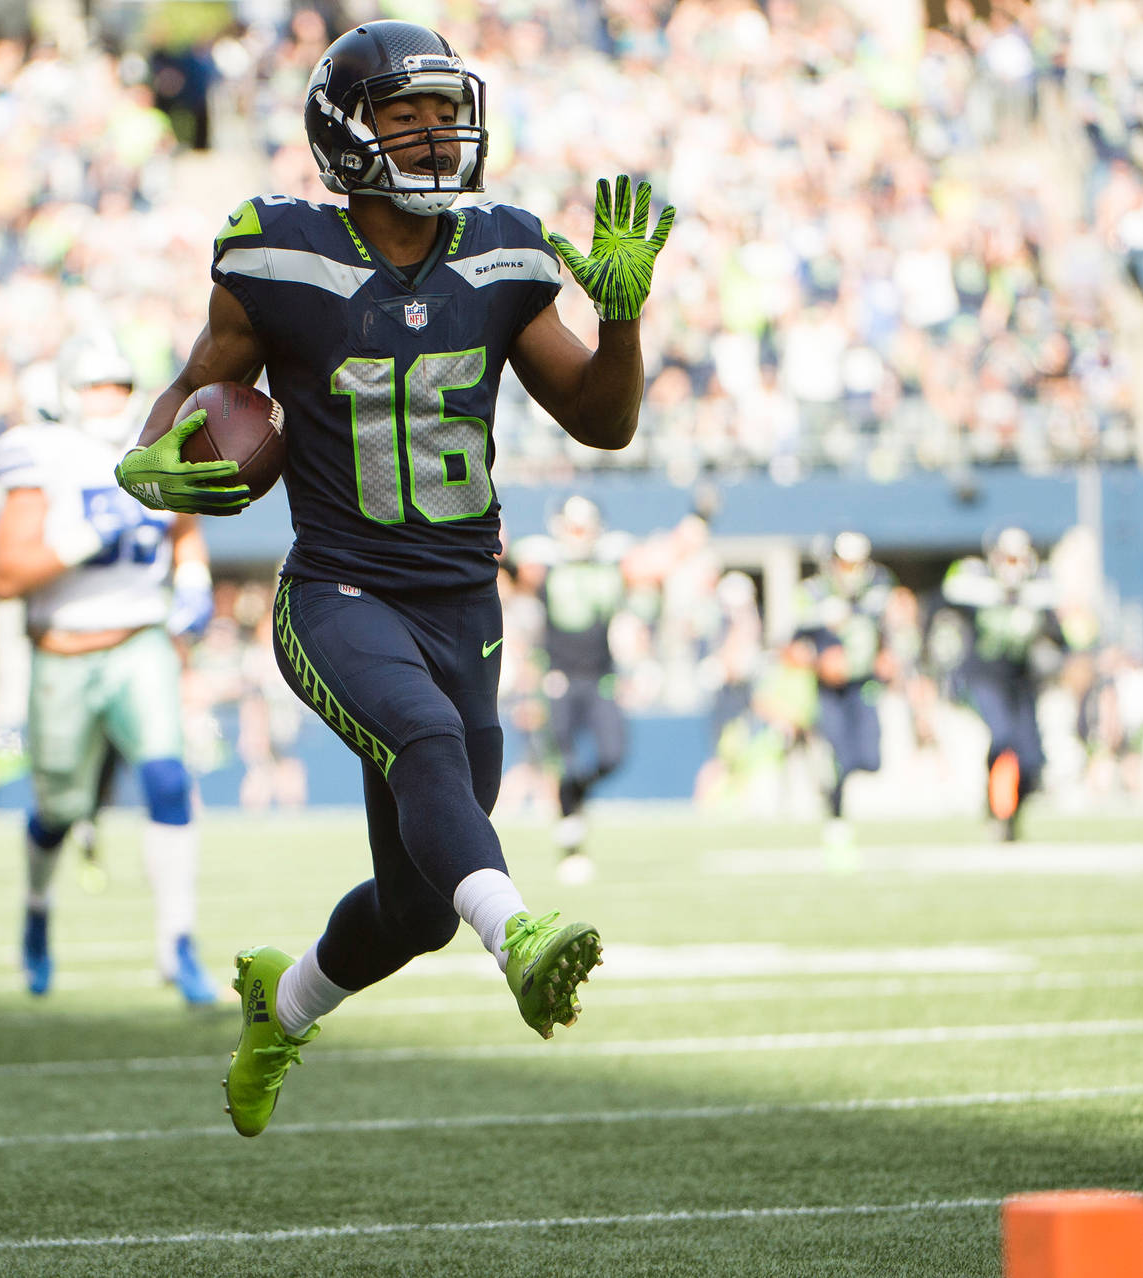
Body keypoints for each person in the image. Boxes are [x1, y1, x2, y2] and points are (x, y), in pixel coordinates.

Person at [115, 20, 671, 1136]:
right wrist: (162, 464)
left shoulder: (506, 252)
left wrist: (621, 319)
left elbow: (604, 422)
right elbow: (180, 406)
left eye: (443, 113)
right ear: (344, 133)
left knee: (416, 907)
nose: (432, 137)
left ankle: (285, 1004)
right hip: (337, 591)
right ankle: (515, 931)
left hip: (464, 601)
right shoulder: (275, 254)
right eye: (403, 116)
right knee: (428, 748)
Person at [0, 332, 220, 1006]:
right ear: (66, 393)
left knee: (169, 781)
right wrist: (93, 530)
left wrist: (196, 579)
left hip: (141, 637)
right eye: (93, 387)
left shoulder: (154, 441)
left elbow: (184, 524)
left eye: (118, 386)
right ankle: (35, 909)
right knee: (58, 811)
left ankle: (178, 943)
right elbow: (6, 576)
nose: (108, 400)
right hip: (63, 647)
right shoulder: (41, 452)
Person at [512, 496, 639, 883]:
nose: (580, 534)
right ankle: (571, 842)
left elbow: (657, 563)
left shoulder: (614, 560)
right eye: (574, 526)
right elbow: (507, 575)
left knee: (613, 755)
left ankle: (577, 794)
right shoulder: (543, 562)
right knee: (562, 762)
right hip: (558, 680)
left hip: (602, 678)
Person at [938, 527, 1064, 841]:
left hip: (1021, 680)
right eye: (1008, 558)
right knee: (1003, 737)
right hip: (983, 675)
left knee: (1032, 760)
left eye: (1020, 558)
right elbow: (946, 596)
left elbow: (1060, 635)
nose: (1014, 566)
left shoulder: (1039, 587)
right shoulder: (975, 579)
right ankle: (994, 806)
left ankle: (1011, 817)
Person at [796, 531, 895, 857]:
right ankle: (836, 816)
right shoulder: (814, 593)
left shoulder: (879, 587)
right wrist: (817, 659)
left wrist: (889, 654)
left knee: (868, 757)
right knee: (837, 755)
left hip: (864, 682)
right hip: (829, 688)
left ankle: (835, 795)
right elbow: (794, 643)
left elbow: (891, 629)